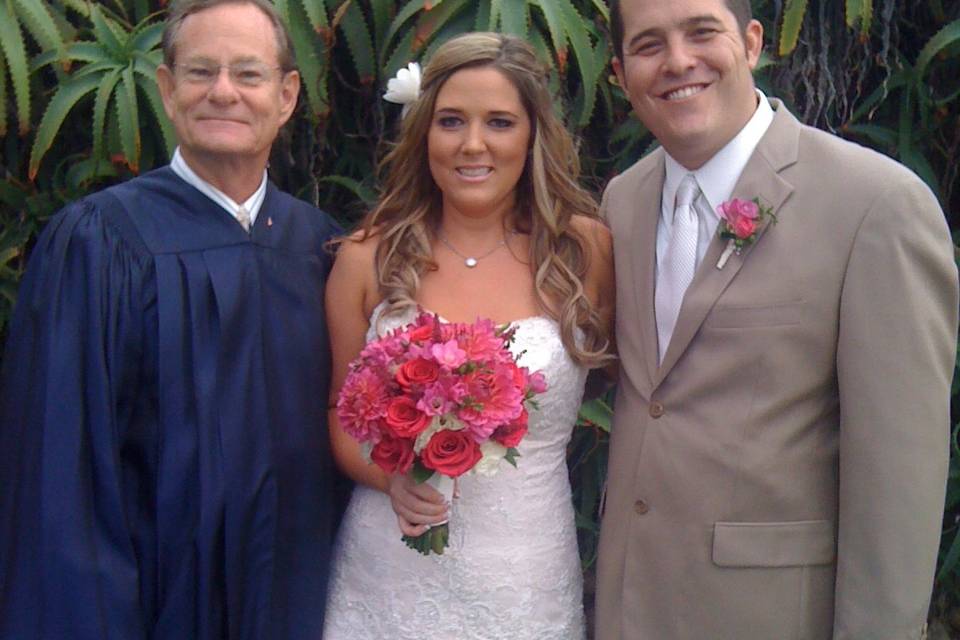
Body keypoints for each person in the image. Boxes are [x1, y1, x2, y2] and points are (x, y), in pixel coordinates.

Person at [595, 0, 959, 638]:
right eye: (649, 45)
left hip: (771, 614)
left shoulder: (875, 204)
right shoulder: (622, 201)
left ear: (753, 41)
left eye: (702, 32)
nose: (679, 61)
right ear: (622, 74)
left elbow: (900, 476)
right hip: (630, 604)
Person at [0, 0, 342, 637]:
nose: (222, 93)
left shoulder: (320, 247)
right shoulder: (100, 243)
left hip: (299, 598)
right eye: (200, 72)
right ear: (165, 88)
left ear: (287, 95)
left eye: (247, 74)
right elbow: (61, 471)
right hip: (152, 605)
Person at [322, 32, 614, 640]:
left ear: (532, 135)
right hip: (389, 574)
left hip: (525, 574)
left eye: (500, 122)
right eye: (451, 120)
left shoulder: (582, 251)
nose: (472, 144)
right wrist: (390, 477)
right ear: (424, 131)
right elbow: (341, 415)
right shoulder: (367, 257)